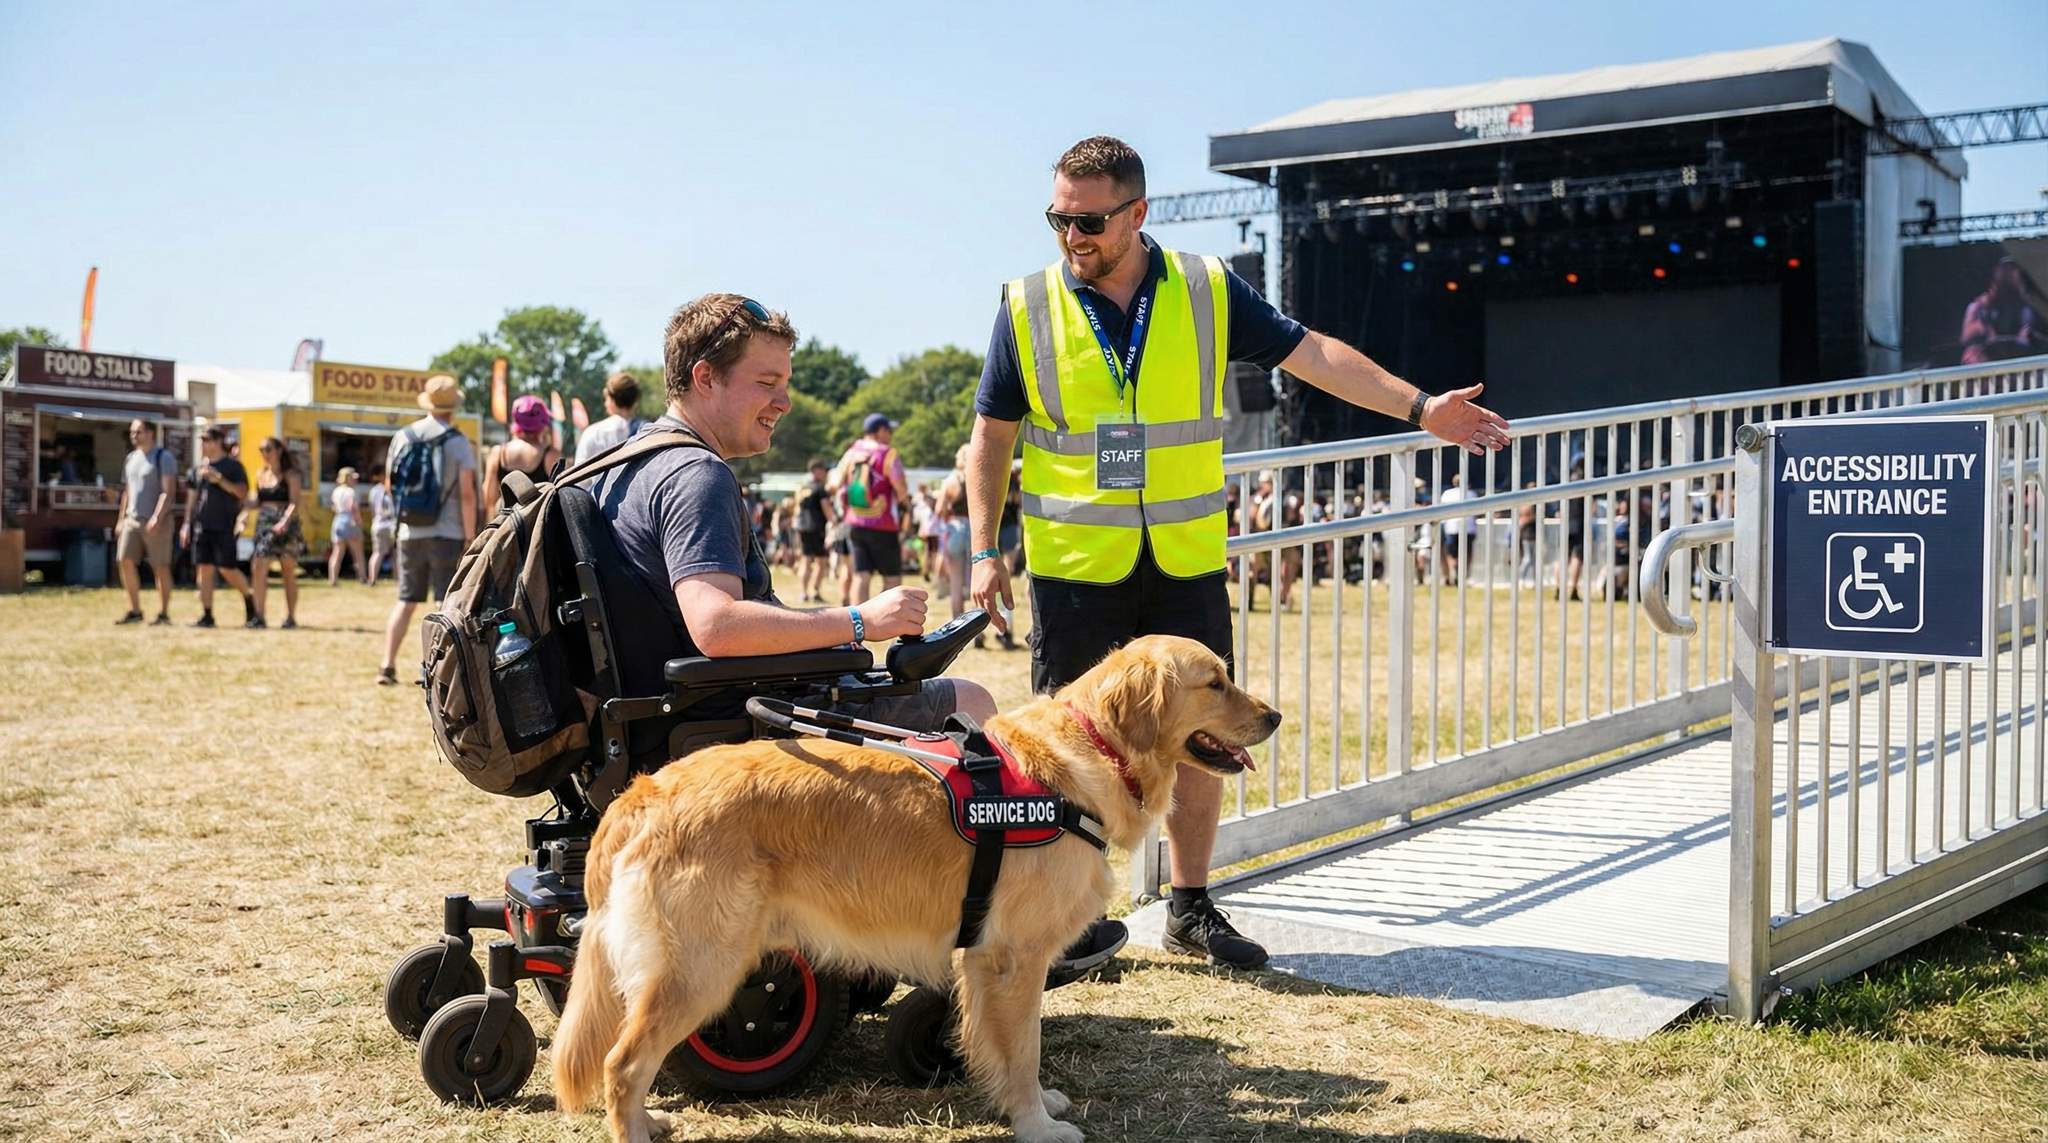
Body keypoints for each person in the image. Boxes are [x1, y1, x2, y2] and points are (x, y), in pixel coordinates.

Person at [967, 136, 1509, 971]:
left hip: (1182, 558)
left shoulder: (1205, 287)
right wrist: (981, 548)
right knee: (1061, 749)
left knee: (1203, 734)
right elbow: (991, 436)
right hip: (1075, 568)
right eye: (1058, 219)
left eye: (1089, 221)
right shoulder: (1026, 303)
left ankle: (1188, 904)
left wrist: (1420, 406)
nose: (1071, 236)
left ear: (1137, 213)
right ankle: (1064, 922)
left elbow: (1314, 353)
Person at [583, 292, 994, 735]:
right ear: (705, 378)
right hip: (734, 723)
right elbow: (716, 626)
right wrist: (861, 621)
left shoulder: (621, 464)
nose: (785, 402)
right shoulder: (696, 473)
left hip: (661, 722)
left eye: (785, 384)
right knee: (970, 700)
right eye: (766, 383)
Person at [377, 375, 479, 685]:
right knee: (443, 604)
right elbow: (466, 493)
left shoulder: (403, 436)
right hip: (446, 532)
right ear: (453, 407)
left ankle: (387, 665)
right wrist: (470, 535)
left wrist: (406, 515)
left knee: (406, 600)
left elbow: (389, 484)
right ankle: (431, 670)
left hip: (409, 531)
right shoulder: (459, 442)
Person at [181, 427, 257, 629]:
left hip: (224, 525)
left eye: (207, 440)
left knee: (226, 568)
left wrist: (219, 480)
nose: (204, 444)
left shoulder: (233, 467)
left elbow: (242, 493)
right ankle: (207, 615)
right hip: (201, 525)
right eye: (202, 440)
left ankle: (250, 599)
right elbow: (192, 499)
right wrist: (187, 523)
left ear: (219, 442)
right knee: (203, 569)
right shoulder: (197, 469)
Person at [831, 413, 910, 605]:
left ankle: (859, 627)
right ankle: (888, 624)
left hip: (854, 522)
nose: (890, 435)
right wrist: (905, 506)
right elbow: (900, 488)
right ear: (881, 431)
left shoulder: (851, 452)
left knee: (861, 576)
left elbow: (834, 484)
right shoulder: (887, 453)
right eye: (889, 431)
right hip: (883, 525)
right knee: (892, 579)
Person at [113, 418, 178, 626]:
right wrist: (121, 519)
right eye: (132, 432)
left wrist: (157, 518)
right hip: (132, 519)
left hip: (156, 521)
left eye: (138, 432)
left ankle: (164, 613)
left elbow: (168, 492)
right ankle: (135, 610)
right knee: (124, 560)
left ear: (150, 433)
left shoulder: (163, 457)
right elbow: (127, 492)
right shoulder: (131, 458)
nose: (134, 436)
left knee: (160, 566)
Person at [247, 437, 306, 629]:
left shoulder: (291, 474)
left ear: (279, 450)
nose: (265, 454)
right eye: (261, 450)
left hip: (286, 523)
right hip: (265, 522)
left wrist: (284, 522)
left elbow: (295, 502)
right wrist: (241, 508)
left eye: (268, 449)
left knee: (287, 569)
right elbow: (256, 501)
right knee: (258, 565)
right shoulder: (261, 474)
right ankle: (259, 616)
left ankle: (290, 617)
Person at [482, 394, 561, 513]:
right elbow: (559, 497)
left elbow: (488, 498)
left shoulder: (498, 453)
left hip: (505, 526)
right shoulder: (550, 455)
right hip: (538, 527)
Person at [1959, 258, 2045, 364]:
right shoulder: (1979, 306)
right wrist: (1982, 327)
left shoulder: (2026, 307)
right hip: (1985, 362)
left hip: (2019, 360)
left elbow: (2030, 336)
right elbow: (1966, 338)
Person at [572, 371, 646, 464]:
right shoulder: (648, 432)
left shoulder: (592, 433)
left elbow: (579, 475)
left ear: (611, 400)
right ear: (635, 400)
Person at [794, 457, 834, 603]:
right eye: (824, 470)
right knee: (821, 561)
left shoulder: (803, 488)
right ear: (817, 471)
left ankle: (803, 592)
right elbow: (827, 508)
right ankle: (815, 591)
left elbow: (797, 509)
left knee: (805, 560)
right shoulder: (820, 488)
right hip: (816, 528)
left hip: (802, 527)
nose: (825, 473)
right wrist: (834, 523)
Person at [329, 466, 367, 587]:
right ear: (347, 478)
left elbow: (334, 507)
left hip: (338, 520)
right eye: (353, 477)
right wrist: (359, 521)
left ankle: (333, 579)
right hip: (350, 520)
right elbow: (353, 507)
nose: (355, 480)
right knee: (358, 552)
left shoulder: (336, 491)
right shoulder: (351, 491)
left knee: (337, 551)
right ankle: (362, 577)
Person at [367, 464, 396, 588]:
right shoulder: (392, 488)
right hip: (391, 523)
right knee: (396, 554)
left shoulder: (373, 490)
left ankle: (372, 579)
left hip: (378, 523)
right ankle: (398, 580)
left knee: (377, 553)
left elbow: (372, 509)